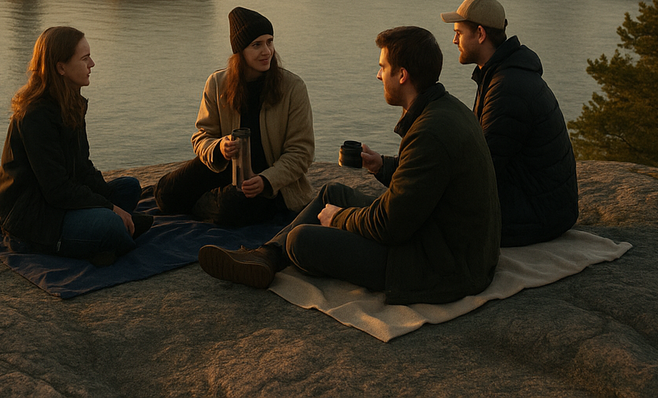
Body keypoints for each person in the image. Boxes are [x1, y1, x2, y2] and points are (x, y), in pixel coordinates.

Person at [198, 26, 501, 305]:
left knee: (300, 240)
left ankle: (277, 252)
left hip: (439, 265)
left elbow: (388, 225)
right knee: (332, 192)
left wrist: (341, 218)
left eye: (383, 68)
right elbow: (428, 179)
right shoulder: (446, 109)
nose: (378, 75)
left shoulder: (429, 131)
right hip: (443, 240)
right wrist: (382, 166)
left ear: (403, 75)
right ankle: (266, 256)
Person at [0, 26, 150, 265]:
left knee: (129, 187)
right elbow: (57, 189)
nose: (92, 64)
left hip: (60, 202)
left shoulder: (71, 102)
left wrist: (109, 201)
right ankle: (108, 239)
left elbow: (82, 167)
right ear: (61, 67)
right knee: (111, 225)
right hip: (34, 214)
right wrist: (110, 209)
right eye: (85, 59)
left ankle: (108, 237)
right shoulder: (35, 116)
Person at [154, 7, 314, 227]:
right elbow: (202, 137)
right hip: (223, 167)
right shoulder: (217, 83)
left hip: (269, 181)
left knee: (233, 210)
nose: (267, 51)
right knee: (166, 195)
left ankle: (203, 204)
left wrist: (267, 180)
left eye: (270, 42)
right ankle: (208, 200)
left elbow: (301, 152)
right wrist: (219, 147)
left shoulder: (293, 88)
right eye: (256, 45)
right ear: (240, 50)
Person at [441, 0, 579, 247]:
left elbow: (482, 166)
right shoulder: (501, 74)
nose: (453, 40)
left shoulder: (508, 87)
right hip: (541, 205)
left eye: (459, 32)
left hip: (538, 215)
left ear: (480, 34)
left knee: (432, 222)